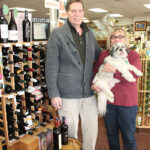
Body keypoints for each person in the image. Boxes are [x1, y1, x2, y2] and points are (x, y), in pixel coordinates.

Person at [45, 0, 101, 149]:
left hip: (88, 92)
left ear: (83, 12)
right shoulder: (57, 34)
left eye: (80, 11)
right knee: (70, 133)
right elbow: (51, 66)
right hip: (67, 94)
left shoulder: (89, 33)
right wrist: (54, 93)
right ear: (67, 12)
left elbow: (99, 56)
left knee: (91, 130)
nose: (77, 14)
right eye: (73, 11)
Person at [92, 28, 141, 150]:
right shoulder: (104, 55)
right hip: (109, 103)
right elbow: (95, 72)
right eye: (114, 37)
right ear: (110, 40)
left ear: (126, 40)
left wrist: (114, 71)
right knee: (111, 135)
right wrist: (93, 85)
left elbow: (134, 76)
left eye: (120, 37)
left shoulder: (133, 55)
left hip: (127, 103)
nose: (117, 39)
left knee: (128, 137)